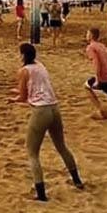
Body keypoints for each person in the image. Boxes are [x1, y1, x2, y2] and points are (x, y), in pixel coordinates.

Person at [8, 42, 84, 202]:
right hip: (54, 108)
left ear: (22, 55)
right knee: (62, 146)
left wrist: (13, 99)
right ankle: (77, 180)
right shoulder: (40, 65)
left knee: (32, 152)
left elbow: (22, 96)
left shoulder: (23, 71)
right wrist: (19, 92)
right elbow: (34, 87)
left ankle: (41, 194)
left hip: (40, 111)